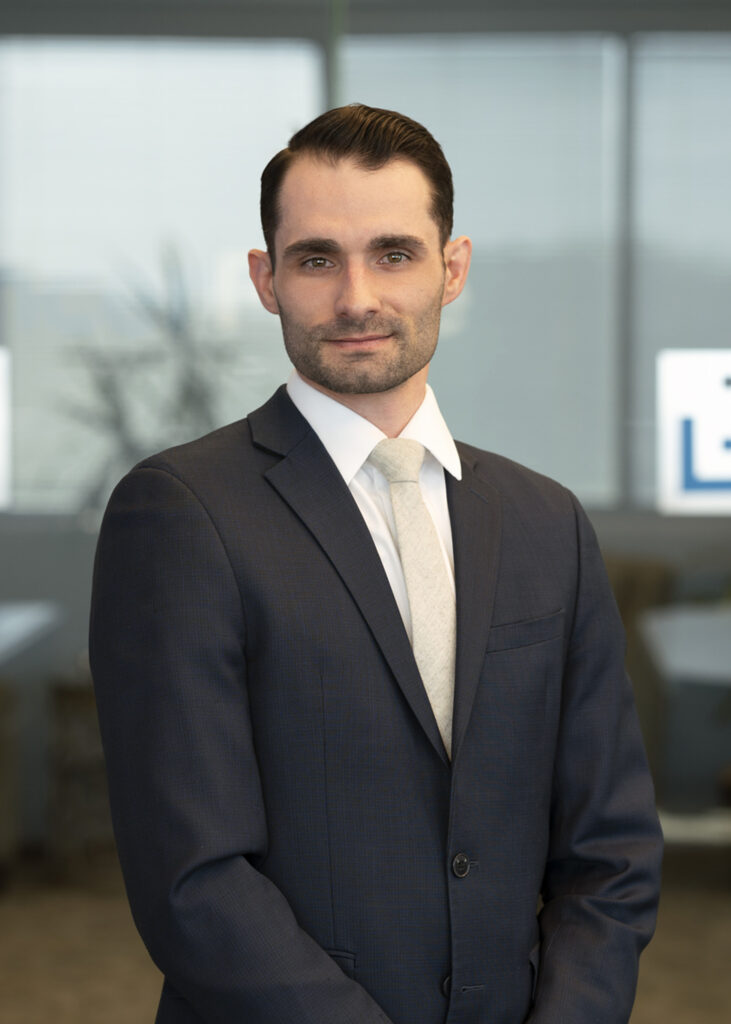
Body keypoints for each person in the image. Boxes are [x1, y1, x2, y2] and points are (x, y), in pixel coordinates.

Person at [90, 104, 663, 1024]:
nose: (356, 297)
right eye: (317, 259)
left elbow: (611, 852)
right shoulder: (179, 513)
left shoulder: (546, 521)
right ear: (267, 279)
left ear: (452, 268)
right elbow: (193, 881)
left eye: (393, 253)